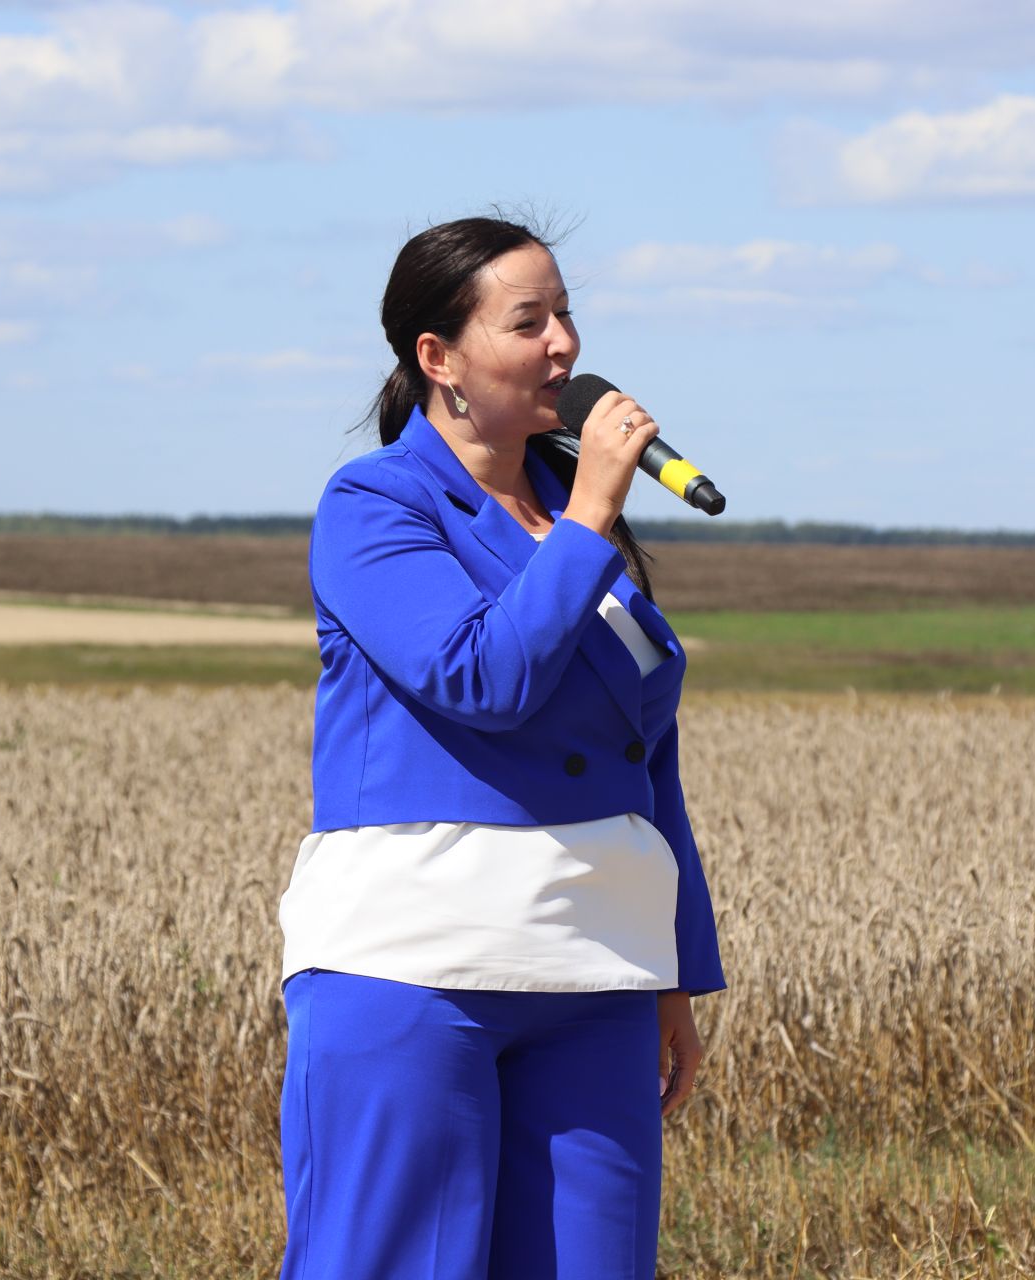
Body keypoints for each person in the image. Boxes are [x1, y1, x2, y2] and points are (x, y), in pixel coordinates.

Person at [276, 215, 727, 1279]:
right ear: (440, 360)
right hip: (418, 965)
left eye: (567, 313)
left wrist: (674, 975)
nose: (566, 344)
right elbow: (482, 677)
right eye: (530, 321)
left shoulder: (578, 530)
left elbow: (647, 763)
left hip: (598, 968)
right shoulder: (376, 505)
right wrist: (591, 514)